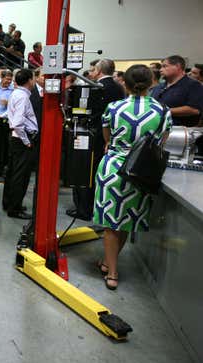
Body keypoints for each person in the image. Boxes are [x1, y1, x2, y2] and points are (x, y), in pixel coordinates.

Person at [93, 65, 173, 290]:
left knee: (111, 224)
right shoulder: (163, 110)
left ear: (124, 84)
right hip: (141, 172)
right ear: (152, 83)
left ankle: (112, 271)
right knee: (127, 222)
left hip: (113, 169)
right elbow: (161, 141)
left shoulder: (114, 107)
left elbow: (107, 138)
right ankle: (110, 264)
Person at [67, 59, 125, 221]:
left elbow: (93, 113)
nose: (90, 73)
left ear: (99, 71)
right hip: (105, 137)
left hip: (93, 136)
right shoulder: (118, 88)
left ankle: (84, 209)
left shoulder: (98, 88)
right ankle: (90, 206)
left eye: (92, 70)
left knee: (85, 170)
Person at [2, 69, 38, 219]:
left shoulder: (16, 93)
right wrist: (27, 141)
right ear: (29, 80)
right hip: (22, 140)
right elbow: (17, 123)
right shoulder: (22, 97)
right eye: (34, 78)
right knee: (20, 176)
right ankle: (15, 209)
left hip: (16, 139)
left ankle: (10, 203)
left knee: (13, 172)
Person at [151, 55, 203, 127]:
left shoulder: (193, 85)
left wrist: (164, 111)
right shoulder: (159, 86)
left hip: (181, 131)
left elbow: (194, 109)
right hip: (158, 129)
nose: (160, 70)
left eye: (165, 66)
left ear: (177, 66)